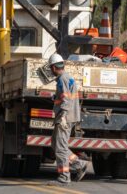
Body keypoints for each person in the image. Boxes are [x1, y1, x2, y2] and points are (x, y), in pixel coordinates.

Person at [48, 53, 87, 186]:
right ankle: (79, 164)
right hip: (68, 115)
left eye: (50, 68)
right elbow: (66, 96)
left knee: (60, 147)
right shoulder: (67, 77)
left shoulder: (62, 79)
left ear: (53, 67)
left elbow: (65, 99)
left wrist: (63, 116)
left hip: (65, 117)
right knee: (55, 143)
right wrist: (55, 97)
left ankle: (64, 176)